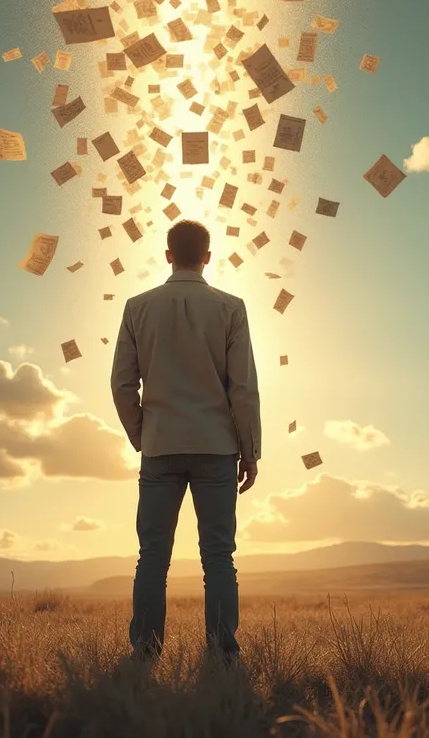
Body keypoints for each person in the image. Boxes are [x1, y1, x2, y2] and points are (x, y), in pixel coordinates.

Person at [111, 219, 261, 666]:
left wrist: (143, 435)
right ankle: (222, 654)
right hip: (217, 446)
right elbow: (244, 388)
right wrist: (250, 451)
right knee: (218, 554)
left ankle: (145, 653)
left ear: (168, 254)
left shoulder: (137, 306)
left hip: (160, 445)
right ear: (209, 256)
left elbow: (121, 385)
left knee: (152, 556)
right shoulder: (231, 307)